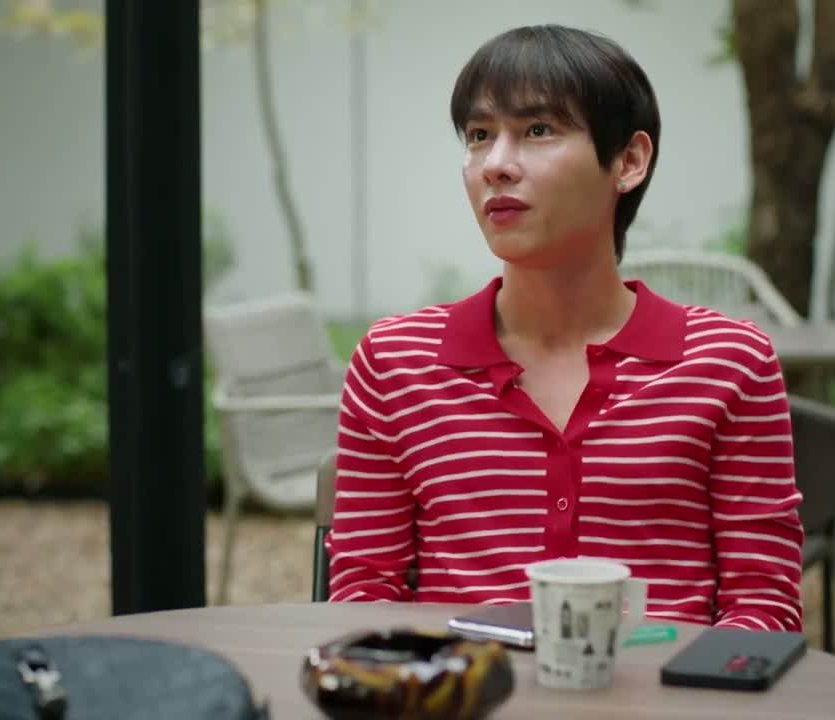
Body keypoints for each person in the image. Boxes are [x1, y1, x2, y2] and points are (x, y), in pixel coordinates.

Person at [326, 24, 804, 632]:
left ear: (628, 161)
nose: (496, 165)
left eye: (537, 130)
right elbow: (364, 597)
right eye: (479, 135)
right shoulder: (397, 362)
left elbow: (764, 608)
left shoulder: (729, 361)